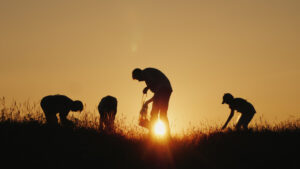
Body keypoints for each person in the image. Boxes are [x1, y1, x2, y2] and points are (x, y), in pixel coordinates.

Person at [132, 67, 173, 136]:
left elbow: (154, 83)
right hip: (166, 89)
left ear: (139, 74)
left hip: (164, 89)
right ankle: (165, 134)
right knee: (161, 114)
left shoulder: (145, 73)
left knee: (156, 113)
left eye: (137, 78)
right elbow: (157, 94)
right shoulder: (148, 75)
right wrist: (148, 102)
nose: (138, 81)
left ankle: (154, 134)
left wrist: (147, 88)